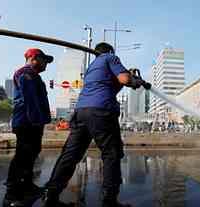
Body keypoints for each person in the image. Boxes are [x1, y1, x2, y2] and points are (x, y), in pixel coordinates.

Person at [44, 42, 150, 207]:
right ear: (109, 51)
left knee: (70, 155)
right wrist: (132, 81)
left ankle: (50, 196)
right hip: (101, 112)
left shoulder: (92, 67)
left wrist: (130, 79)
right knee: (111, 154)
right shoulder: (110, 57)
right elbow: (123, 79)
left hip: (81, 112)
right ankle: (110, 201)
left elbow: (109, 86)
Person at [3, 48, 53, 207]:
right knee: (23, 156)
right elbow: (30, 100)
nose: (46, 64)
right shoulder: (26, 74)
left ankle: (27, 186)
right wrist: (36, 120)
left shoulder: (33, 75)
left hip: (32, 121)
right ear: (34, 58)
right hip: (27, 122)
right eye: (44, 60)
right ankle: (12, 195)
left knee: (30, 154)